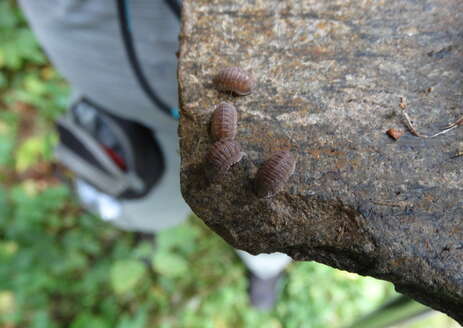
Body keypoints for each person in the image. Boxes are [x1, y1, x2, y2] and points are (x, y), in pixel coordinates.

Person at [19, 0, 291, 309]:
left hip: (207, 44)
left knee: (249, 206)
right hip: (98, 61)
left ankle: (264, 266)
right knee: (142, 193)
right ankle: (145, 222)